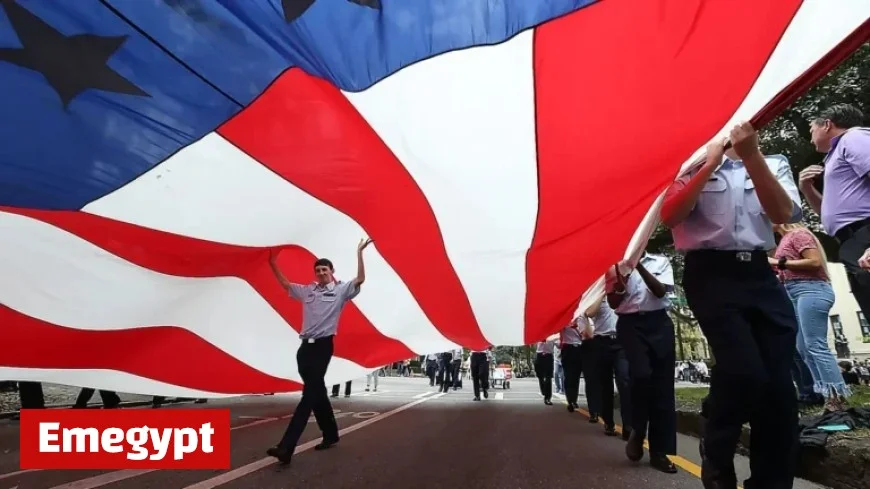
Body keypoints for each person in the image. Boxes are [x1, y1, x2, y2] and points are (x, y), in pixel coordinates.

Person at [662, 122, 802, 489]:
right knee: (745, 372)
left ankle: (771, 482)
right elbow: (670, 215)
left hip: (759, 272)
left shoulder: (773, 162)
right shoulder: (688, 165)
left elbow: (783, 213)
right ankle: (717, 446)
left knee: (779, 391)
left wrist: (753, 156)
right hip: (710, 274)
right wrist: (707, 165)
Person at [265, 238, 373, 466]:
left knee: (308, 397)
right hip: (304, 348)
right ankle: (331, 433)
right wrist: (273, 263)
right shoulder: (308, 291)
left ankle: (286, 447)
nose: (321, 272)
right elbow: (285, 285)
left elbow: (361, 279)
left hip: (323, 347)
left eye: (325, 269)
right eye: (318, 270)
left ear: (332, 272)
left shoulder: (341, 290)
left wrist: (360, 253)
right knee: (317, 393)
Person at [607, 252, 678, 474]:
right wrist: (621, 282)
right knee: (640, 375)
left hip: (659, 323)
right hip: (630, 326)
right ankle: (638, 428)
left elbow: (660, 292)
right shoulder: (614, 266)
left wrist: (639, 267)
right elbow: (612, 302)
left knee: (663, 387)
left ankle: (660, 452)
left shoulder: (660, 261)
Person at [799, 104, 870, 322]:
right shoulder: (835, 154)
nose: (810, 136)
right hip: (850, 239)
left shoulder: (853, 138)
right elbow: (828, 214)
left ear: (827, 124)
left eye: (812, 129)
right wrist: (807, 189)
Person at [772, 223, 850, 411]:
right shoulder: (784, 239)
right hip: (795, 292)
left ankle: (837, 397)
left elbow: (814, 261)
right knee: (803, 348)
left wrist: (778, 263)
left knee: (815, 344)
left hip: (811, 289)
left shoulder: (798, 234)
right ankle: (826, 394)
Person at [581, 297, 630, 436]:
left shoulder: (621, 290)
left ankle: (628, 425)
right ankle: (608, 422)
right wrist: (602, 293)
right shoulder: (597, 294)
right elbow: (589, 313)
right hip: (601, 343)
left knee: (625, 380)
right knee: (605, 385)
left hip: (621, 342)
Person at [559, 318, 583, 412]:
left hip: (579, 348)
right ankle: (570, 401)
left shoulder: (581, 318)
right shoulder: (564, 319)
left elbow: (585, 335)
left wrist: (576, 327)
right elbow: (558, 330)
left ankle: (574, 400)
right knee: (568, 375)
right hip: (567, 348)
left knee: (576, 376)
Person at [534, 339, 555, 405]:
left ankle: (547, 398)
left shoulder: (553, 334)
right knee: (540, 376)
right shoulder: (539, 333)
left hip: (548, 356)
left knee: (548, 377)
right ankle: (544, 391)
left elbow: (559, 345)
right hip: (539, 355)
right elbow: (534, 343)